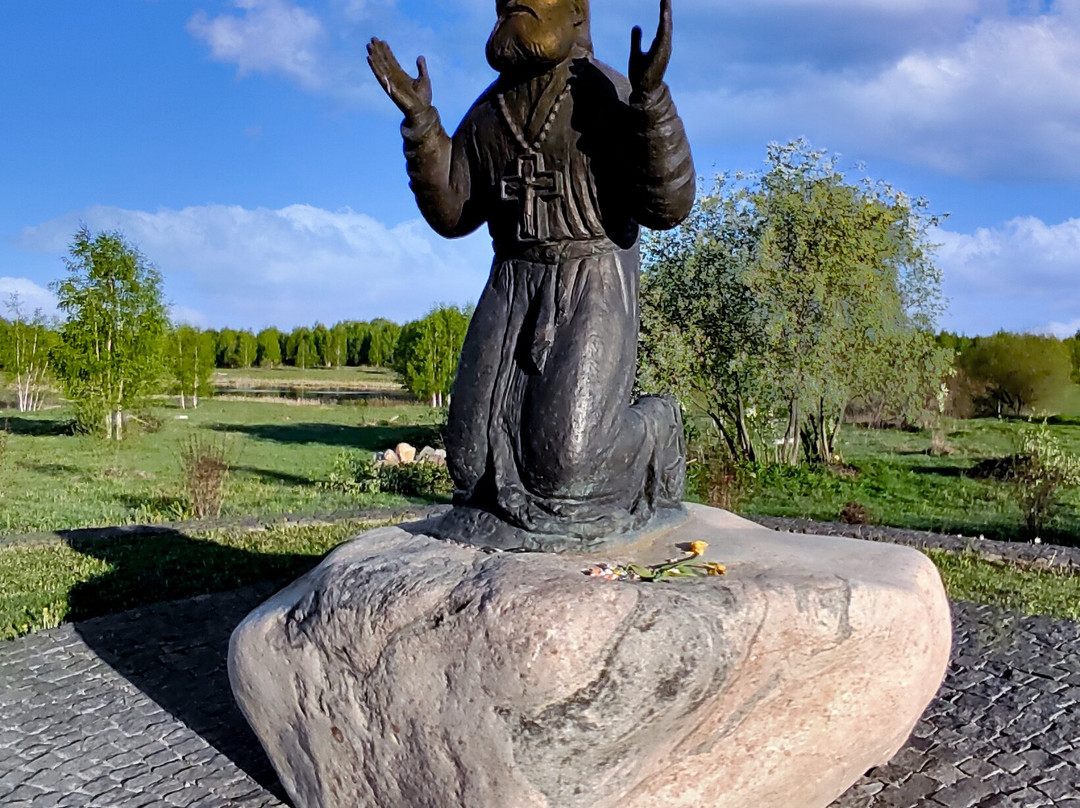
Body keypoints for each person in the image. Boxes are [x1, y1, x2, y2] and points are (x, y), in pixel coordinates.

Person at [368, 0, 695, 549]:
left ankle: (656, 428)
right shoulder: (491, 111)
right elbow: (453, 213)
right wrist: (422, 125)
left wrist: (652, 102)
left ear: (576, 11)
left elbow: (669, 206)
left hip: (591, 277)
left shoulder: (607, 93)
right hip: (511, 283)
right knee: (471, 466)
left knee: (567, 469)